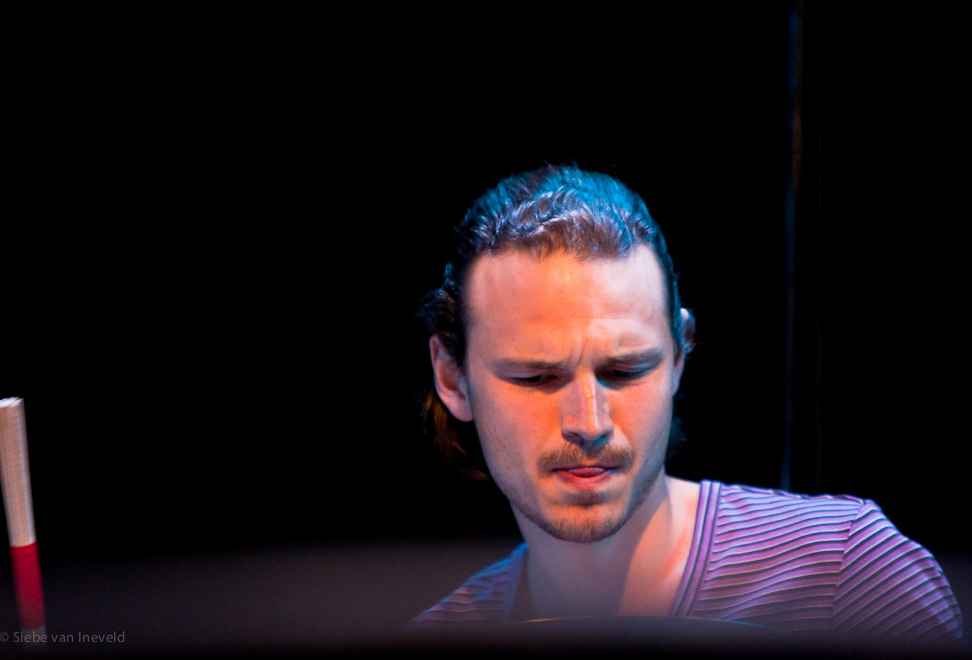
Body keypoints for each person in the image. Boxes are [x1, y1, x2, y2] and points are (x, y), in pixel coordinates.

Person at [409, 164, 963, 643]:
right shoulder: (441, 646)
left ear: (679, 355)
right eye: (536, 377)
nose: (589, 423)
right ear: (452, 378)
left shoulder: (849, 574)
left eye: (624, 370)